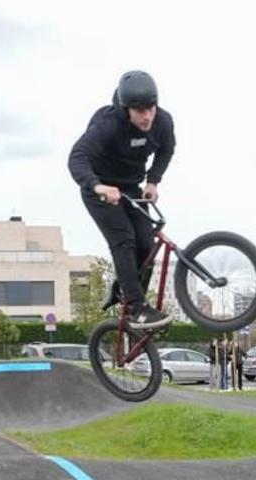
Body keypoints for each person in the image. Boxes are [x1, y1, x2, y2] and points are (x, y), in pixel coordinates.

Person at [69, 70, 176, 330]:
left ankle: (123, 288)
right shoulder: (108, 125)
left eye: (150, 108)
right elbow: (77, 158)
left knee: (145, 243)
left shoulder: (163, 122)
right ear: (125, 109)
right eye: (139, 111)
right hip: (100, 189)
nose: (147, 116)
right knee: (124, 239)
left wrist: (153, 180)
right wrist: (97, 186)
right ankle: (137, 308)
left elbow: (166, 149)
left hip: (130, 188)